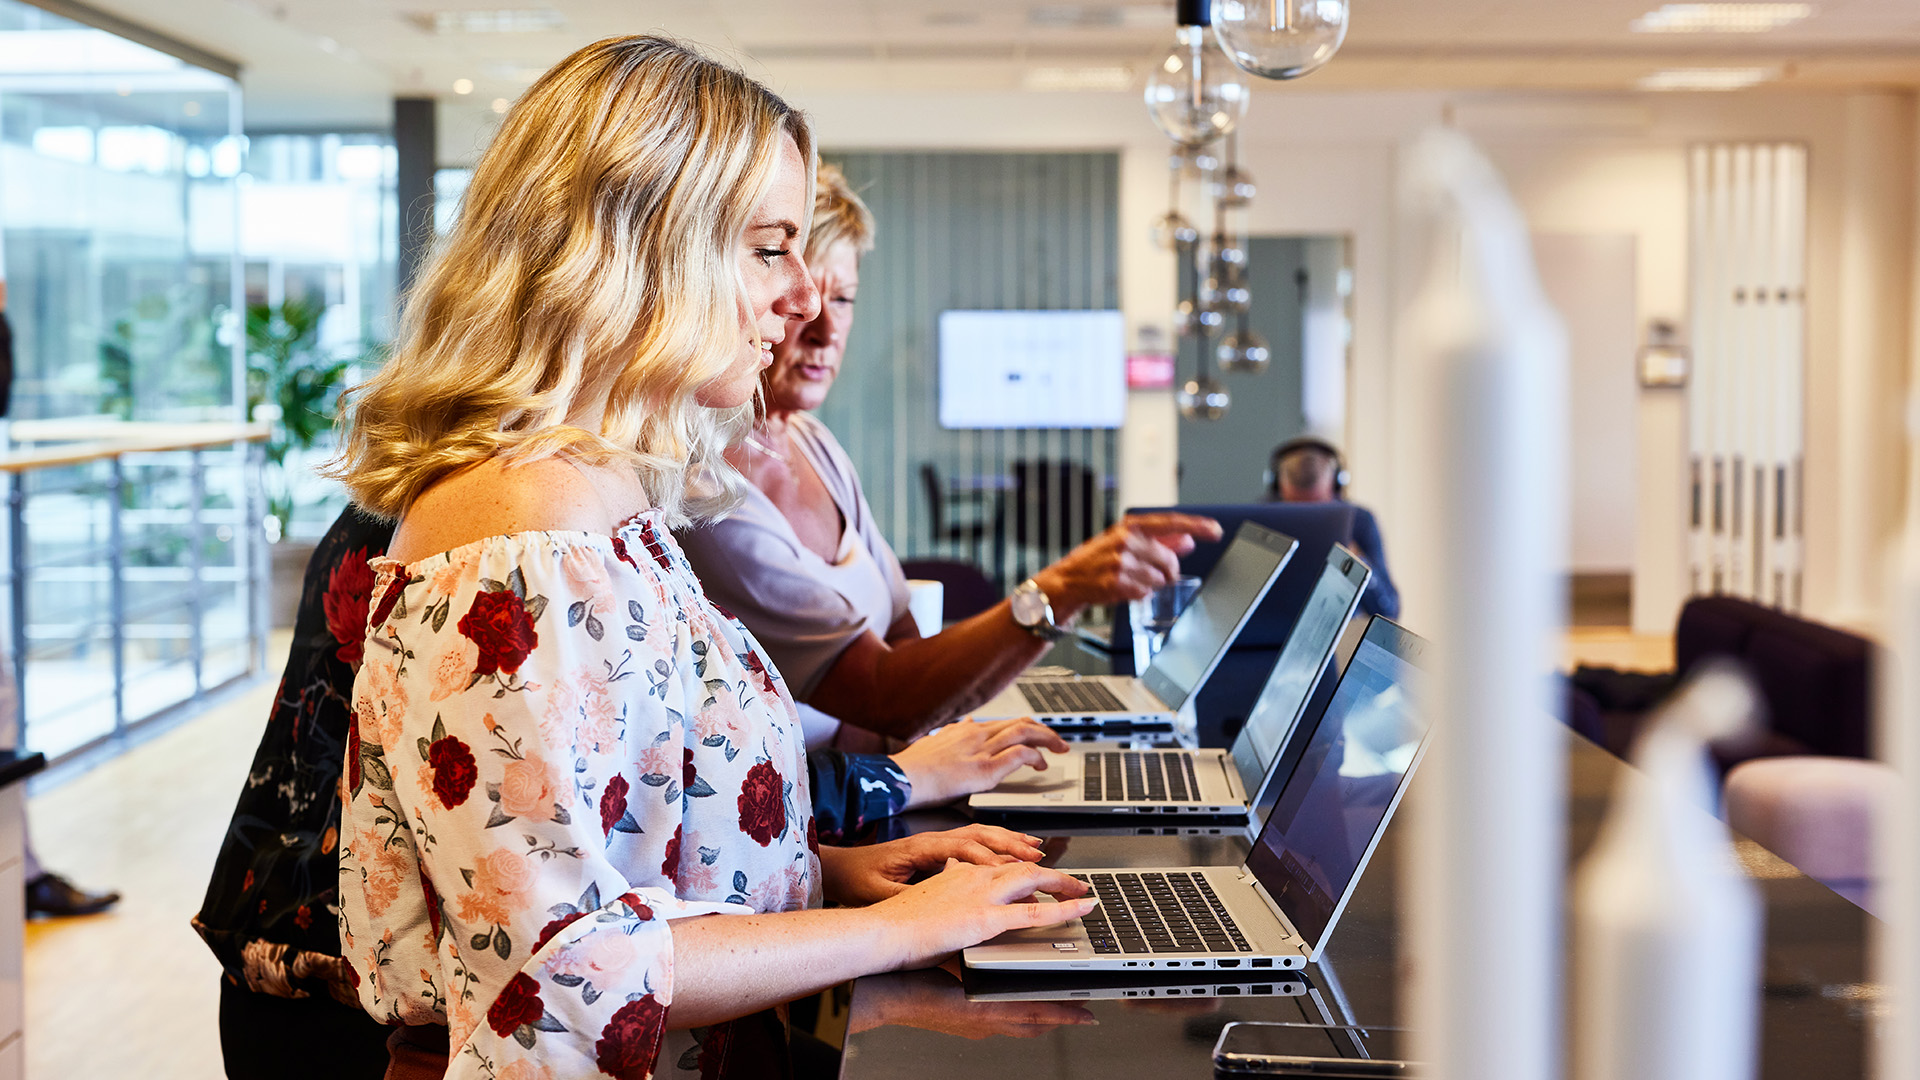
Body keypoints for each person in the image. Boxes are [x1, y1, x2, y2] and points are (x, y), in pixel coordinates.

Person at [328, 36, 1094, 1080]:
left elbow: (600, 850)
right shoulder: (523, 538)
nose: (801, 302)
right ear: (644, 245)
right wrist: (911, 930)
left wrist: (820, 873)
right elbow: (568, 971)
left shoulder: (599, 498)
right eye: (769, 248)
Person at [677, 166, 1220, 747]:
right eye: (796, 301)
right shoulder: (703, 489)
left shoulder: (813, 442)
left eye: (845, 298)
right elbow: (883, 695)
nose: (825, 327)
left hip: (894, 772)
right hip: (823, 812)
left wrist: (957, 732)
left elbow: (903, 632)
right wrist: (1057, 591)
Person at [1266, 436, 1399, 619]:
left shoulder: (1359, 520)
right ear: (1277, 488)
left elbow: (1388, 609)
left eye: (1318, 509)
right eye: (1296, 509)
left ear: (1336, 485)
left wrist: (1357, 560)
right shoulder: (1264, 521)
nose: (1308, 518)